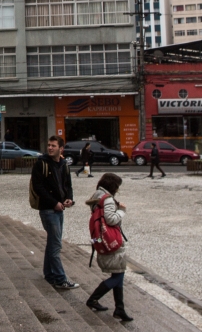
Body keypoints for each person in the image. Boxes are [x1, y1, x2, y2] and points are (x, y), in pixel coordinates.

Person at [29, 135, 78, 291]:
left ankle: (50, 274)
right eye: (49, 145)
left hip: (59, 208)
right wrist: (54, 203)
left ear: (61, 149)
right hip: (48, 209)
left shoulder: (64, 165)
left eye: (53, 146)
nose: (50, 148)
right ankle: (60, 278)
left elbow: (67, 185)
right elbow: (38, 187)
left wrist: (69, 198)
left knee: (52, 243)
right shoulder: (41, 164)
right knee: (56, 245)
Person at [84, 172, 132, 321]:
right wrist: (122, 211)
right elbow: (111, 220)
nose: (118, 190)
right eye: (117, 187)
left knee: (118, 273)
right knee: (118, 275)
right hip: (111, 239)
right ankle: (93, 299)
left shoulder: (97, 195)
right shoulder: (108, 199)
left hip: (101, 238)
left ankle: (120, 309)